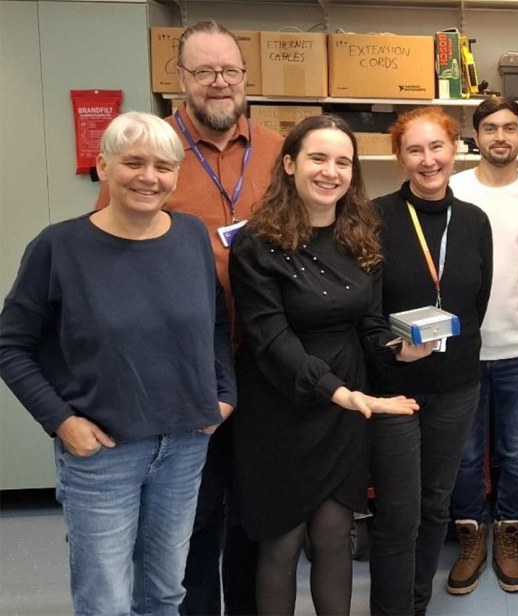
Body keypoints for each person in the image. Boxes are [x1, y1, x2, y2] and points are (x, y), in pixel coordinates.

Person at [0, 111, 235, 615]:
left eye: (163, 166)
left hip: (185, 446)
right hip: (102, 455)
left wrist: (223, 393)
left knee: (165, 592)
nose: (149, 177)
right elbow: (10, 345)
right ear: (103, 166)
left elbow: (215, 321)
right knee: (105, 598)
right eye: (133, 163)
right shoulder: (58, 247)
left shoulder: (192, 237)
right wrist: (61, 421)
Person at [93, 20, 284, 615]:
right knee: (192, 519)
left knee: (256, 515)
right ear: (179, 79)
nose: (219, 83)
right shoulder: (155, 153)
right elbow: (110, 249)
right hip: (185, 368)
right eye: (204, 72)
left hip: (263, 362)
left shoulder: (278, 149)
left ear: (246, 78)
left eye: (230, 71)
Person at [229, 115, 427, 615]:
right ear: (291, 164)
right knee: (282, 541)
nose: (330, 171)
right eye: (318, 158)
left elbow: (369, 326)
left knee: (336, 534)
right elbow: (270, 337)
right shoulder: (257, 243)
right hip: (280, 406)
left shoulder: (360, 238)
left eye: (343, 161)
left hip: (344, 408)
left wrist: (399, 351)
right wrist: (339, 392)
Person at [371, 106, 494, 615]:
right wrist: (395, 349)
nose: (428, 160)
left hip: (456, 383)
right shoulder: (374, 217)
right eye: (415, 150)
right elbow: (365, 308)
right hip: (393, 385)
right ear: (399, 158)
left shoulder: (473, 221)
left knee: (434, 503)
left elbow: (476, 300)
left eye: (436, 147)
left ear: (454, 149)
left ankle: (415, 604)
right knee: (399, 510)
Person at [446, 96, 518, 595]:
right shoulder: (451, 189)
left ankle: (509, 532)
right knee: (466, 455)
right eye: (490, 127)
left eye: (510, 127)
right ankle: (471, 534)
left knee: (515, 452)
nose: (500, 137)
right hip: (463, 349)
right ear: (476, 136)